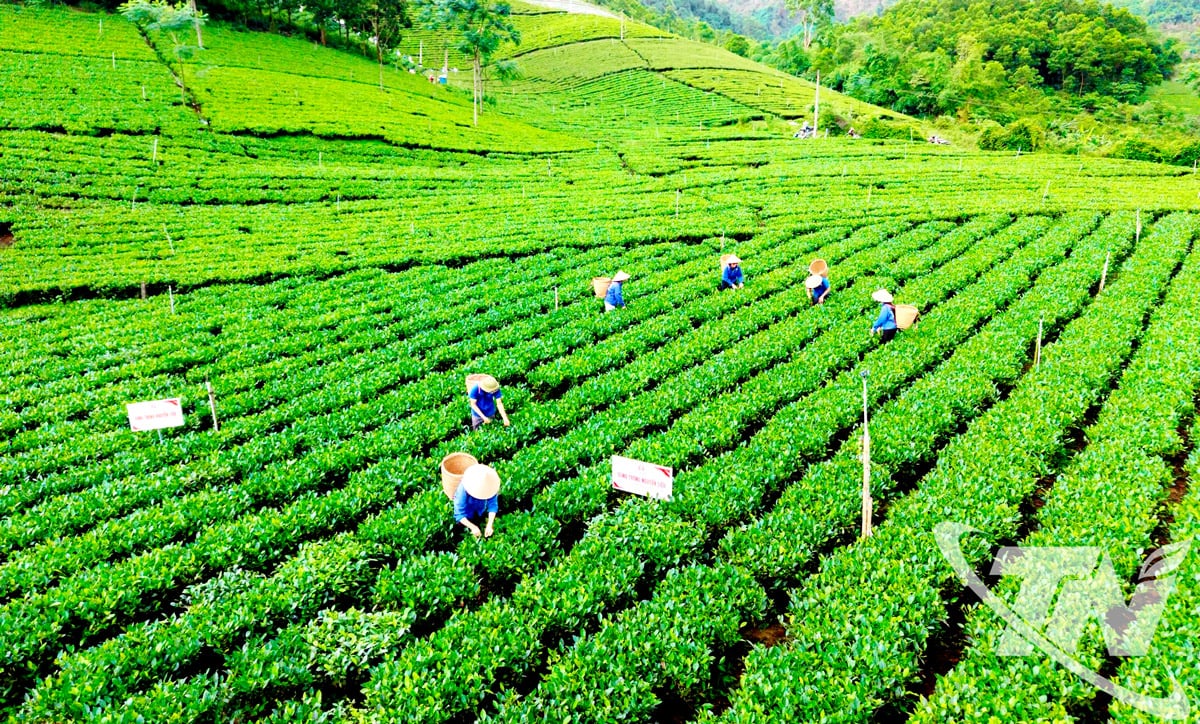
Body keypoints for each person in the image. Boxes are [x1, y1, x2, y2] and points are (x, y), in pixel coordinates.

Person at [454, 463, 500, 538]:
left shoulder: (490, 485)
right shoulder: (462, 490)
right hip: (466, 514)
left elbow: (493, 505)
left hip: (479, 510)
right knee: (462, 532)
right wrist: (473, 527)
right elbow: (459, 514)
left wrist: (489, 525)